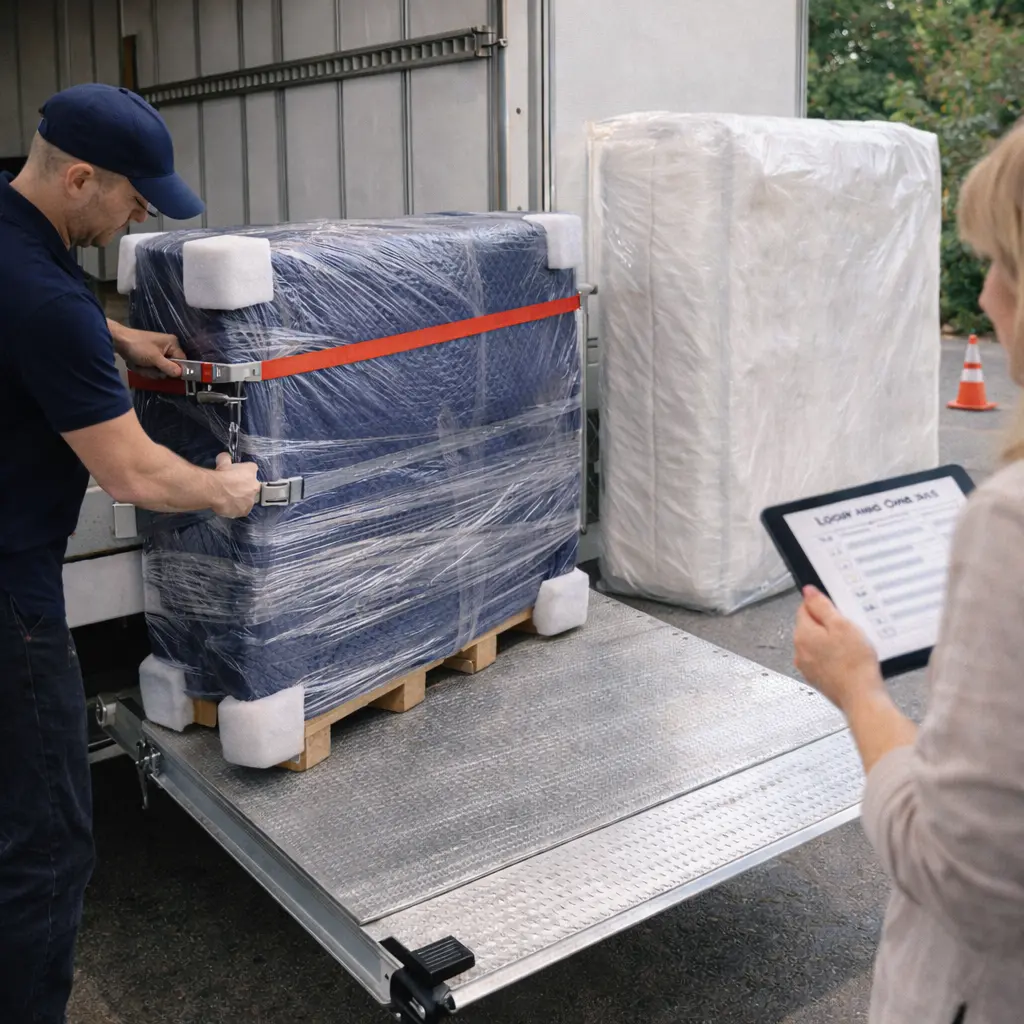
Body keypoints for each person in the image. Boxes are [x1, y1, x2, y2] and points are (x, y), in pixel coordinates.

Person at [0, 84, 261, 1023]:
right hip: (9, 586)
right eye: (134, 198)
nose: (141, 217)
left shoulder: (19, 230)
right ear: (79, 179)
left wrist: (113, 336)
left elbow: (38, 300)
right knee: (48, 844)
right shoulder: (46, 301)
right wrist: (228, 491)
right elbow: (135, 473)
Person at [793, 123, 1024, 1024]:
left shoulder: (1009, 521)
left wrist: (858, 690)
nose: (988, 294)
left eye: (1004, 263)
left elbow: (964, 876)